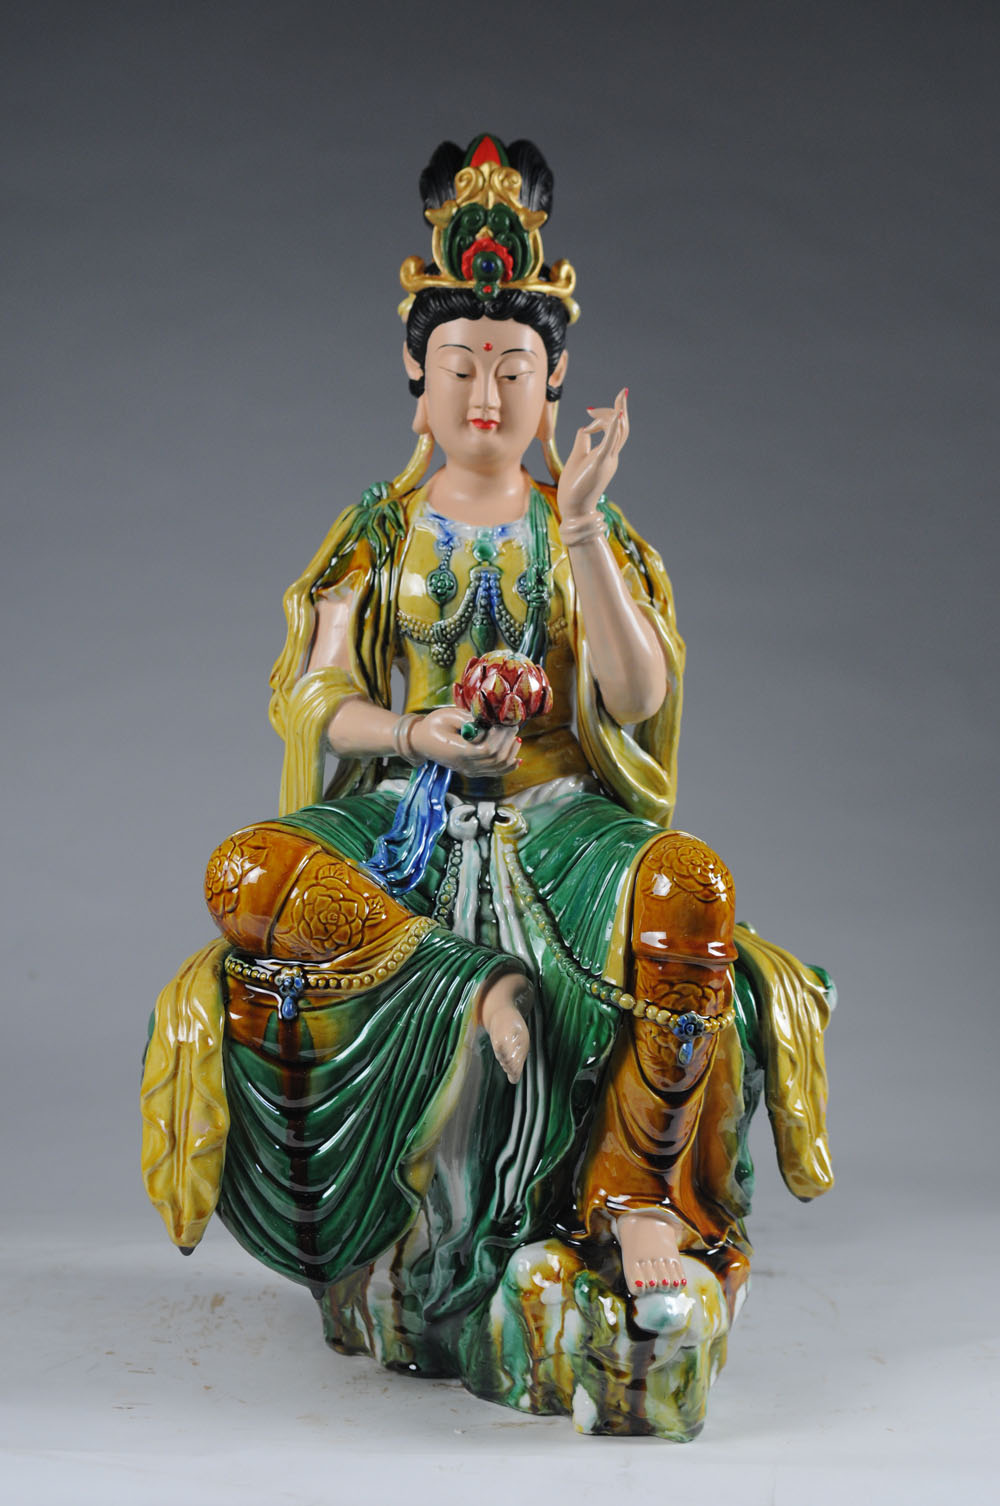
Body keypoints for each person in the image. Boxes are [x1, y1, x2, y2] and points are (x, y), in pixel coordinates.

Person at [142, 134, 832, 1362]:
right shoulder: (377, 532)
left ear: (552, 385)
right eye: (461, 365)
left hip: (558, 817)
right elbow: (317, 698)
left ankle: (632, 1191)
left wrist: (583, 528)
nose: (485, 395)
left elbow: (636, 692)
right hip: (408, 807)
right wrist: (411, 731)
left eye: (514, 369)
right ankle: (466, 982)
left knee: (693, 891)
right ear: (415, 376)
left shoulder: (584, 530)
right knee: (247, 870)